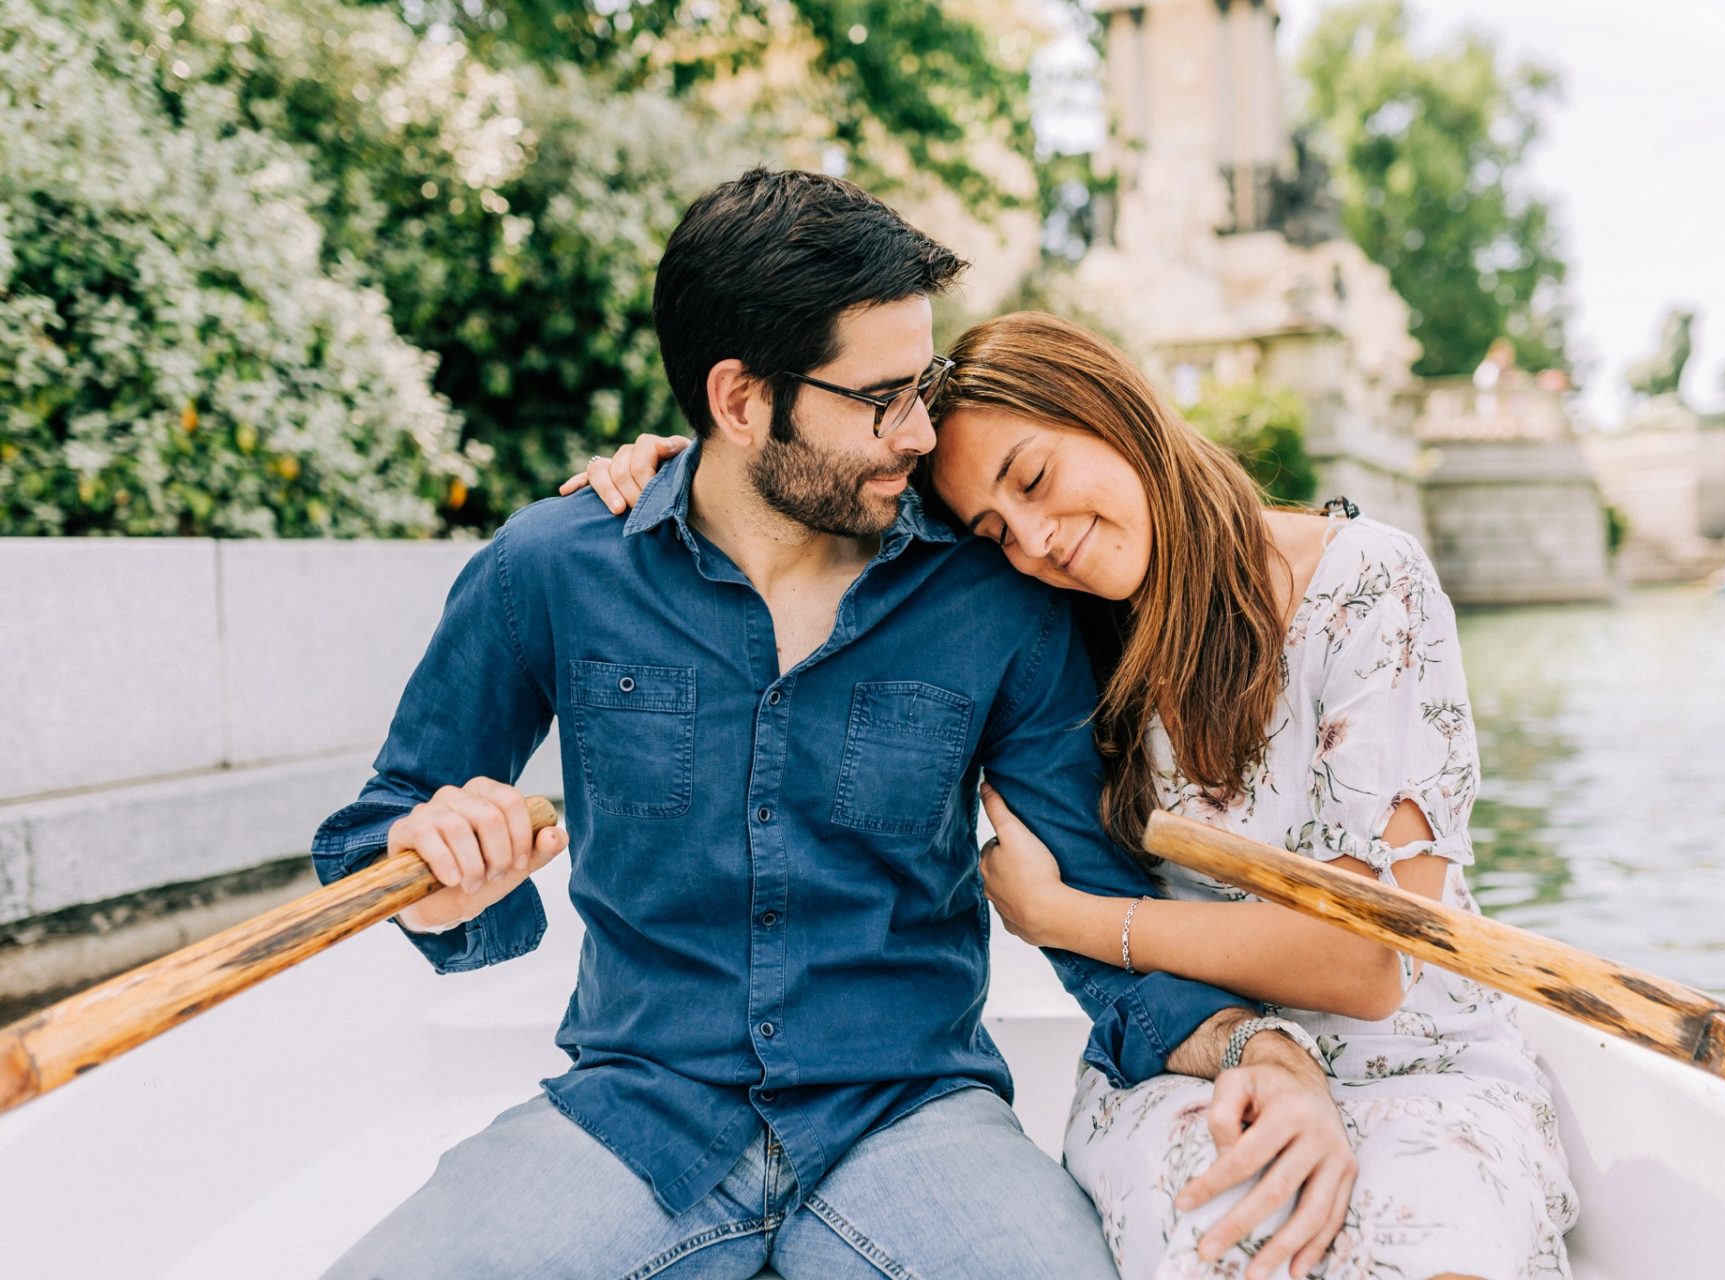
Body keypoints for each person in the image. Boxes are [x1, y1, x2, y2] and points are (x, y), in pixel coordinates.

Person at [311, 171, 1353, 1280]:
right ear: (743, 400)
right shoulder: (551, 568)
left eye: (926, 384)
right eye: (880, 398)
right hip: (636, 1117)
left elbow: (1095, 901)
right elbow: (373, 832)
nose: (918, 431)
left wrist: (1263, 1049)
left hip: (912, 1119)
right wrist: (441, 877)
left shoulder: (995, 594)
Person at [571, 311, 1580, 1279]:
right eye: (996, 529)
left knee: (1436, 1251)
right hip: (1189, 1055)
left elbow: (1365, 960)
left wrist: (1073, 916)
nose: (1040, 540)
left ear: (1109, 404)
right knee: (1231, 1233)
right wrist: (698, 472)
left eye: (1037, 477)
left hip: (1413, 1058)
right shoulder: (1061, 638)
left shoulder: (1371, 586)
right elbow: (827, 535)